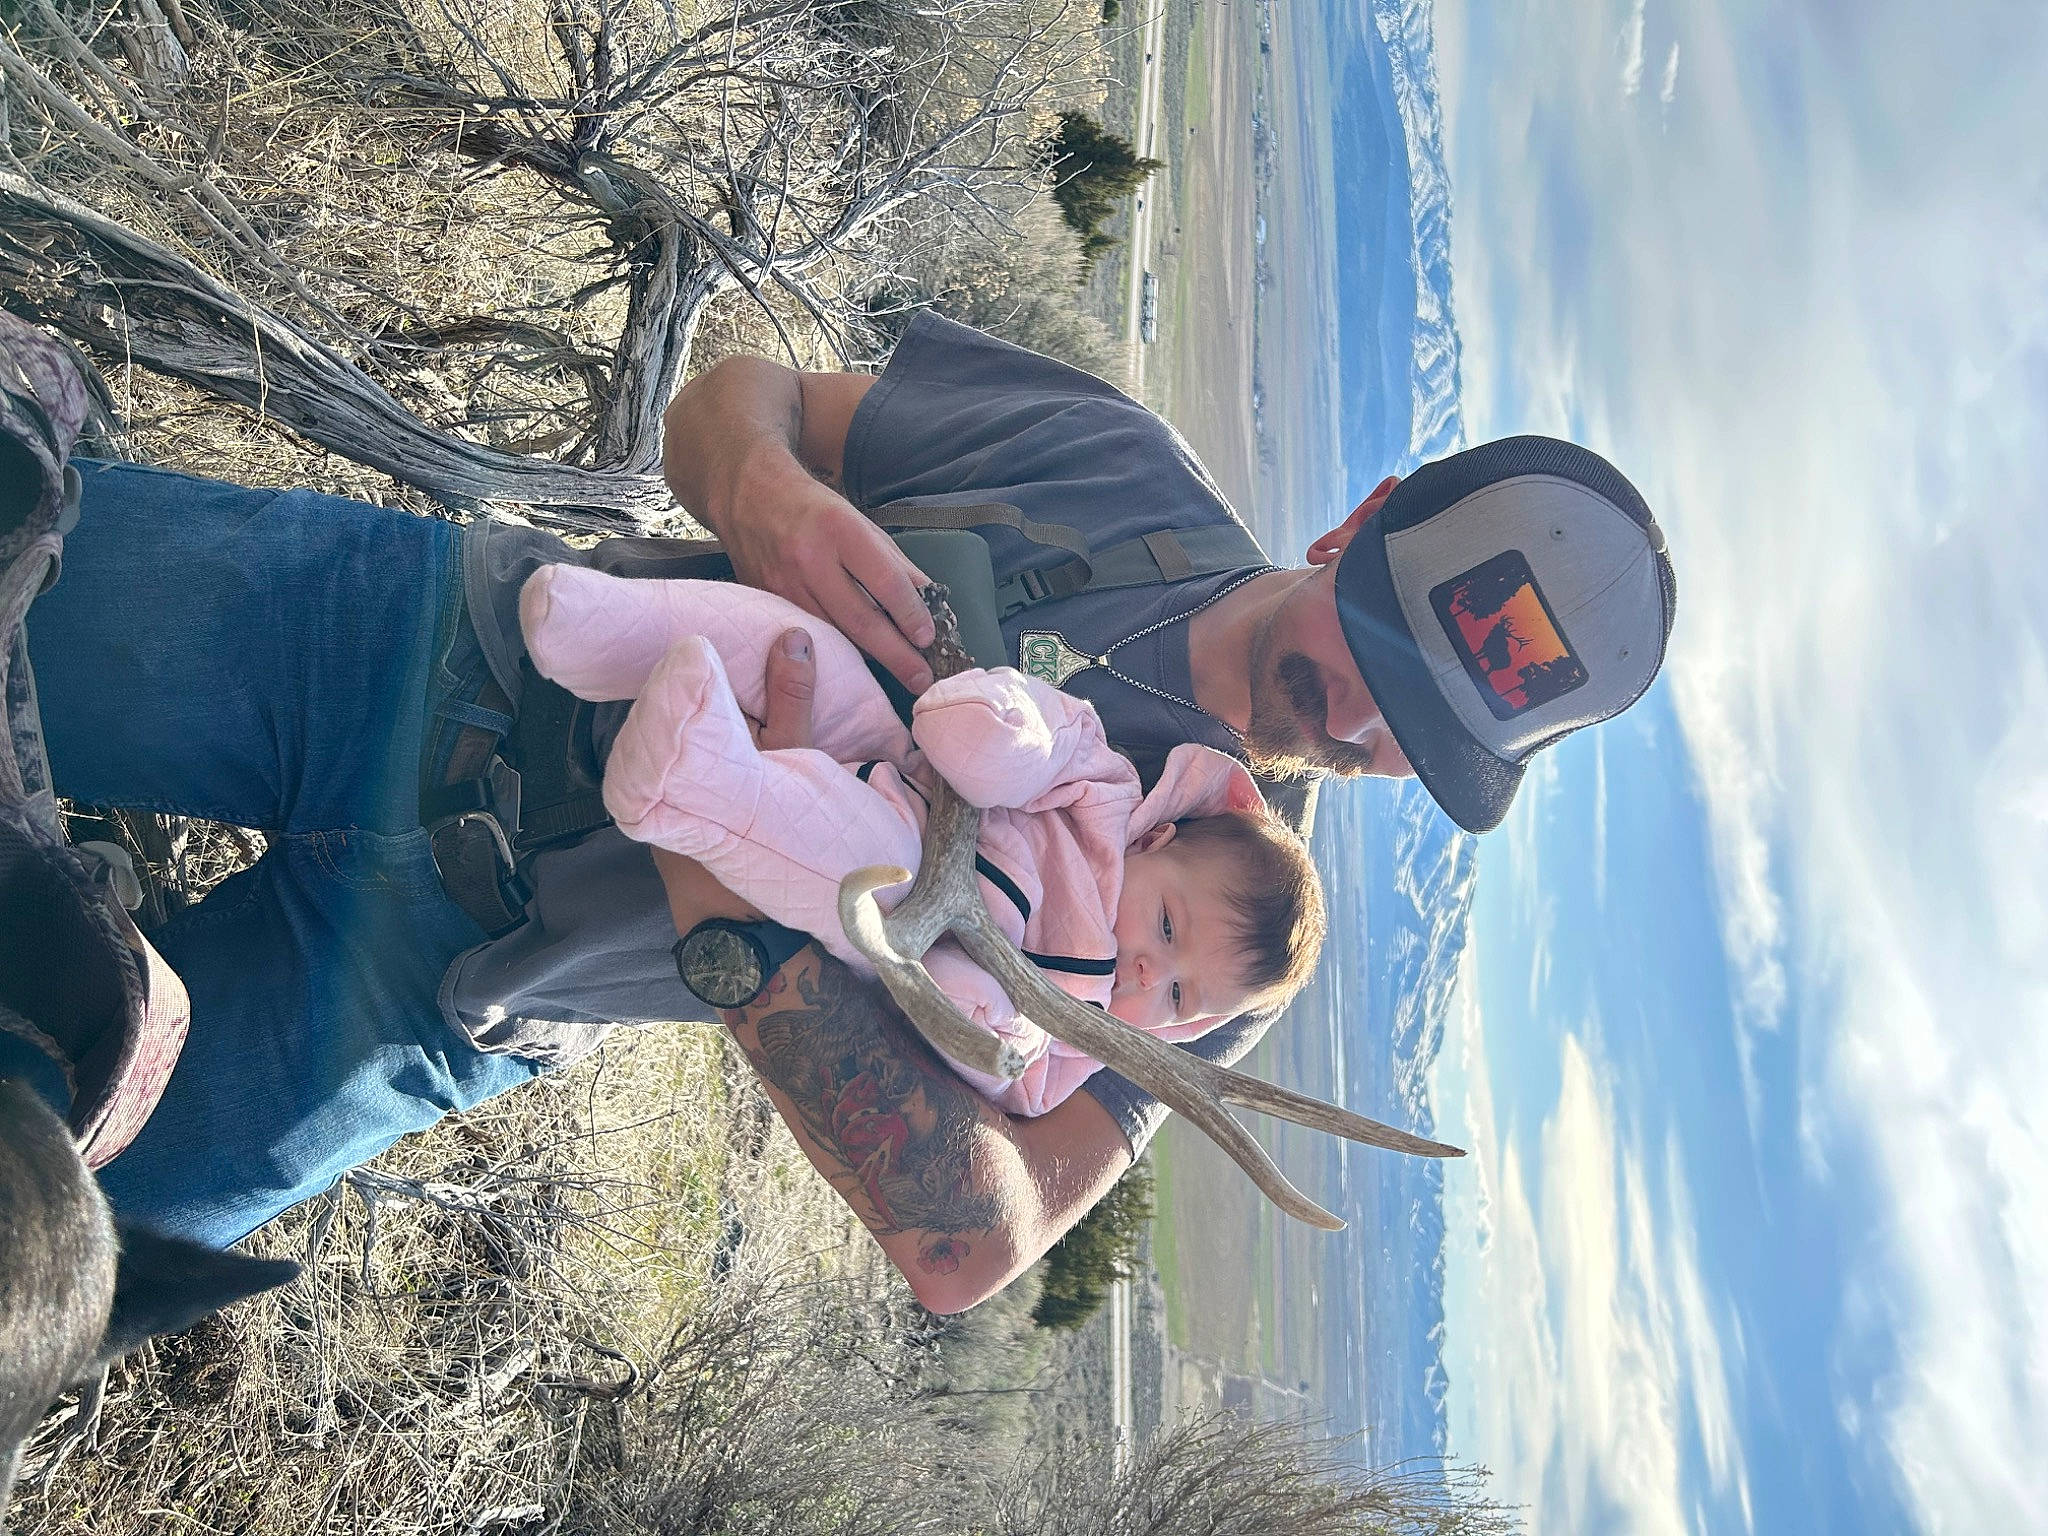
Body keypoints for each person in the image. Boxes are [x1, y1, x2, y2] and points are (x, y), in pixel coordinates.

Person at [21, 311, 1673, 1311]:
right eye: (1382, 651)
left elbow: (974, 1239)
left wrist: (719, 872)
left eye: (1428, 747)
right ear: (1361, 519)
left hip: (452, 985)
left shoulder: (1209, 960)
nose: (1371, 730)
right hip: (396, 635)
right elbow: (736, 399)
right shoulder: (1115, 465)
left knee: (39, 1232)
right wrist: (766, 493)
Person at [517, 565, 1327, 1115]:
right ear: (1159, 840)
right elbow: (1064, 739)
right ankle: (604, 628)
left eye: (1179, 997)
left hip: (898, 887)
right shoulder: (1108, 803)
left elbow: (1018, 1081)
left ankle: (689, 777)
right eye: (1169, 926)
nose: (1153, 972)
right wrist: (1006, 737)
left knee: (861, 868)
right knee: (799, 651)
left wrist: (998, 1034)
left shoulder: (1081, 1041)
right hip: (895, 762)